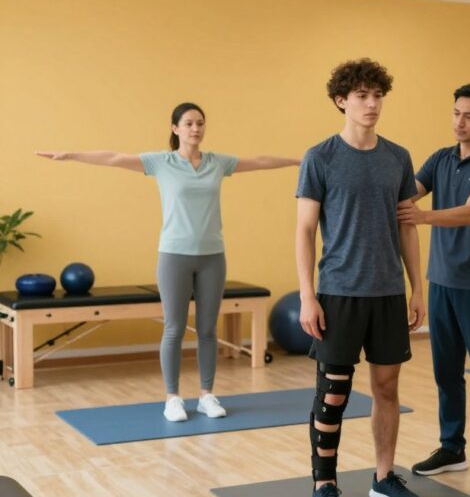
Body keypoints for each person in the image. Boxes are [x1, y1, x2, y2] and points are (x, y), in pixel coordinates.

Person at [36, 103, 299, 422]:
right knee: (174, 328)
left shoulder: (217, 163)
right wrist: (70, 154)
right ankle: (172, 398)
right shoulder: (161, 162)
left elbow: (258, 162)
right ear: (175, 129)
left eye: (200, 123)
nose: (195, 129)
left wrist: (299, 160)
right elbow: (115, 158)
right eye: (188, 123)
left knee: (206, 329)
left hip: (212, 256)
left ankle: (206, 395)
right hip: (174, 254)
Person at [296, 58, 425, 497]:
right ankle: (324, 484)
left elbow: (408, 227)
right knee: (334, 392)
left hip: (388, 291)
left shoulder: (397, 156)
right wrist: (308, 295)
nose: (372, 104)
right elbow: (305, 230)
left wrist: (417, 287)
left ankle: (384, 477)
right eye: (362, 96)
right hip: (339, 292)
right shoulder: (321, 157)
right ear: (341, 101)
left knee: (387, 388)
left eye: (378, 96)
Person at [397, 82, 470, 493]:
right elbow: (406, 191)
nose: (459, 122)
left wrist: (422, 218)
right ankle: (452, 448)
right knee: (446, 373)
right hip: (440, 283)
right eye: (456, 113)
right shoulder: (441, 159)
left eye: (468, 116)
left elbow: (469, 213)